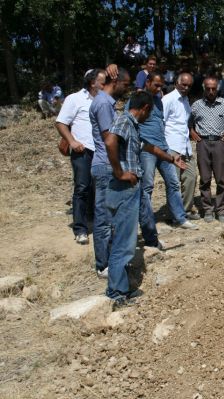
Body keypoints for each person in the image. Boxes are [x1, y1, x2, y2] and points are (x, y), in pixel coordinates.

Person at [104, 91, 186, 305]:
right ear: (146, 108)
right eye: (151, 112)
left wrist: (171, 158)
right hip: (123, 189)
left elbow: (148, 147)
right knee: (123, 242)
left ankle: (123, 288)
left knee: (126, 241)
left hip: (130, 189)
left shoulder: (133, 126)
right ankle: (116, 293)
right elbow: (110, 141)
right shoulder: (124, 121)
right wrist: (119, 172)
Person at [126, 72, 198, 231]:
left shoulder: (158, 100)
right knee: (147, 186)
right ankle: (146, 222)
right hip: (147, 149)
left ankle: (179, 217)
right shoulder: (137, 99)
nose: (159, 88)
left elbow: (162, 122)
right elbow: (129, 120)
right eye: (156, 85)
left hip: (163, 147)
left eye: (161, 86)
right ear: (147, 82)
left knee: (173, 183)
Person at [89, 67, 131, 278]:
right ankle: (103, 264)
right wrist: (119, 170)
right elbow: (109, 139)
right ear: (116, 82)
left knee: (111, 217)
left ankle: (111, 259)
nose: (127, 89)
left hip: (107, 165)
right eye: (126, 84)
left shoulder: (105, 102)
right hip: (107, 166)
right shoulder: (104, 103)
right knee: (104, 218)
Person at [55, 69, 106, 244]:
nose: (105, 85)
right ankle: (80, 229)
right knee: (82, 187)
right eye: (102, 82)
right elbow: (61, 122)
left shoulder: (102, 100)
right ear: (93, 83)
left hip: (99, 150)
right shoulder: (74, 99)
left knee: (96, 187)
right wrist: (72, 141)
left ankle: (92, 219)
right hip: (81, 150)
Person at [189, 77, 224, 222]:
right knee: (205, 179)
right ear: (204, 88)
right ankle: (207, 209)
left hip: (220, 143)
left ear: (217, 88)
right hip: (203, 144)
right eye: (208, 88)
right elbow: (189, 122)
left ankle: (221, 209)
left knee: (221, 179)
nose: (211, 91)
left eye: (213, 88)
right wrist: (192, 132)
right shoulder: (196, 105)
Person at [163, 73, 199, 220]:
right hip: (172, 146)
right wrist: (165, 149)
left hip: (185, 146)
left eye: (189, 85)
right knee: (174, 183)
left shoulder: (185, 101)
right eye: (184, 84)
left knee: (191, 177)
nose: (186, 88)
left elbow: (185, 123)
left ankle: (184, 210)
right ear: (177, 83)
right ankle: (175, 215)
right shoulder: (167, 99)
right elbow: (161, 123)